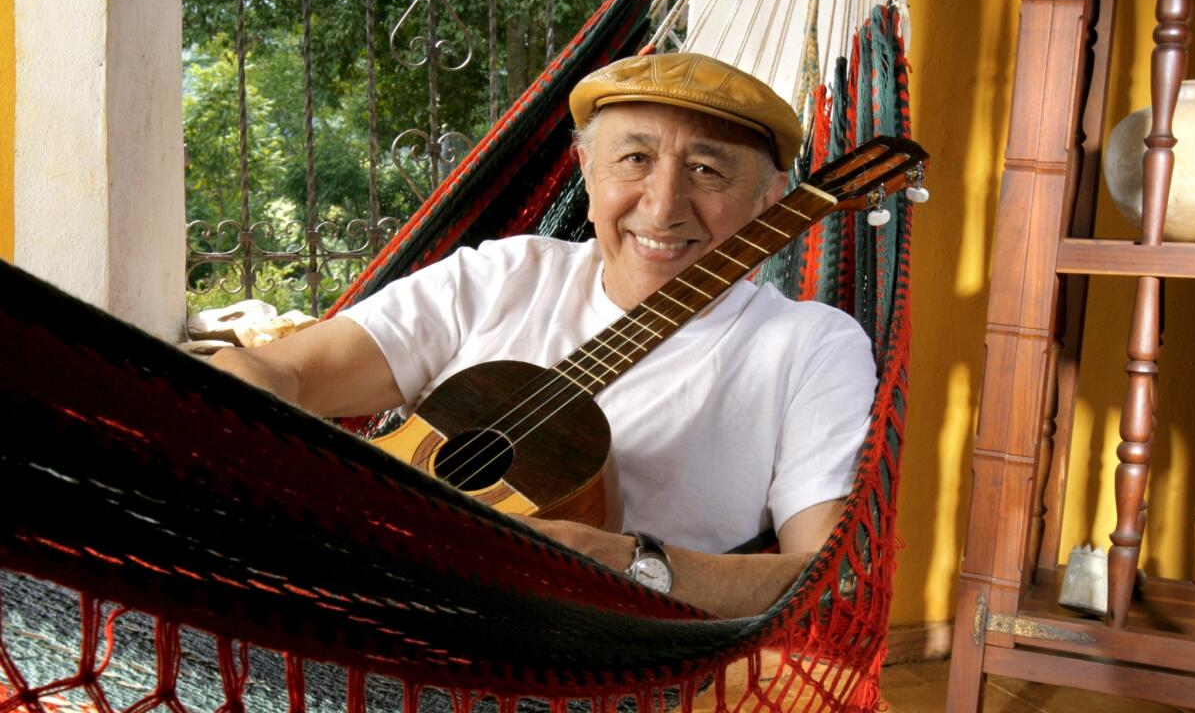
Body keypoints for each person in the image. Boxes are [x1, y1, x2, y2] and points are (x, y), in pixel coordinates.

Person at [211, 53, 876, 619]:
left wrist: (629, 565)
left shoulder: (810, 345)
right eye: (634, 158)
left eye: (707, 170)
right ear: (585, 170)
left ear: (771, 200)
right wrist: (226, 406)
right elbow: (283, 372)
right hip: (362, 608)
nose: (663, 205)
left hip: (600, 669)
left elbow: (829, 578)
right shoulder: (503, 275)